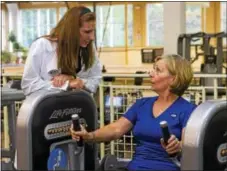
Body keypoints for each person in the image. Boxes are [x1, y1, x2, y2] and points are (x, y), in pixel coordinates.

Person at [70, 54, 197, 171]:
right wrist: (89, 136)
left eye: (158, 70)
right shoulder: (142, 104)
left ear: (173, 79)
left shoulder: (189, 110)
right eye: (153, 69)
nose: (150, 73)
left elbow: (190, 147)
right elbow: (116, 129)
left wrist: (178, 146)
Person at [21, 6, 102, 96]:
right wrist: (66, 85)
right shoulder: (43, 46)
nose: (92, 37)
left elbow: (95, 79)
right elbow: (28, 85)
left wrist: (73, 78)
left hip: (77, 106)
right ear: (71, 31)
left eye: (93, 31)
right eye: (87, 32)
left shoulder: (89, 47)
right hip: (47, 107)